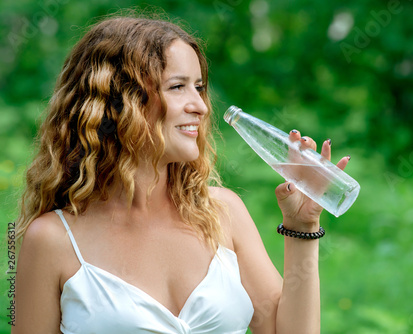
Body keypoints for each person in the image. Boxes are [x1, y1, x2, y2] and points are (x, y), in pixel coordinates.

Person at [13, 13, 350, 334]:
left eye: (199, 87)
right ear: (118, 101)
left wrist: (302, 226)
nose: (200, 106)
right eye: (177, 87)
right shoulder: (52, 239)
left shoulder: (222, 214)